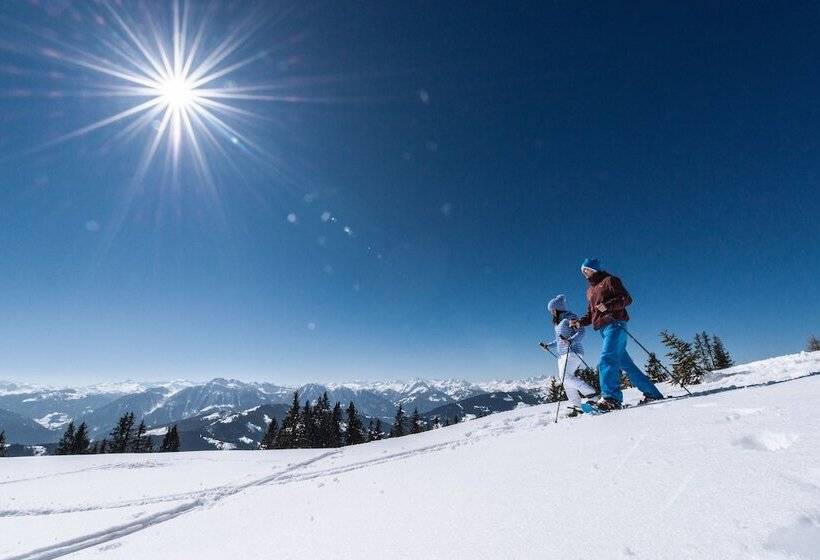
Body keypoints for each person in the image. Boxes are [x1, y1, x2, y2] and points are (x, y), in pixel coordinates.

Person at [570, 258, 664, 411]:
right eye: (582, 271)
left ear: (593, 268)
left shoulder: (610, 280)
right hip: (602, 329)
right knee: (626, 365)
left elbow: (626, 299)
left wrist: (607, 306)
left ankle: (611, 398)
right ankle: (652, 393)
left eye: (585, 270)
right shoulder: (590, 291)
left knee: (606, 359)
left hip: (615, 324)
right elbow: (591, 313)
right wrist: (579, 322)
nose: (584, 273)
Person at [540, 294, 596, 417]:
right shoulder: (558, 323)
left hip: (573, 351)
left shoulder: (570, 317)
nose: (552, 313)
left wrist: (571, 341)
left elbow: (581, 331)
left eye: (553, 311)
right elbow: (559, 340)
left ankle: (591, 394)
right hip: (562, 354)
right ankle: (577, 405)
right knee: (565, 380)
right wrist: (548, 346)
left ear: (558, 309)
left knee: (565, 377)